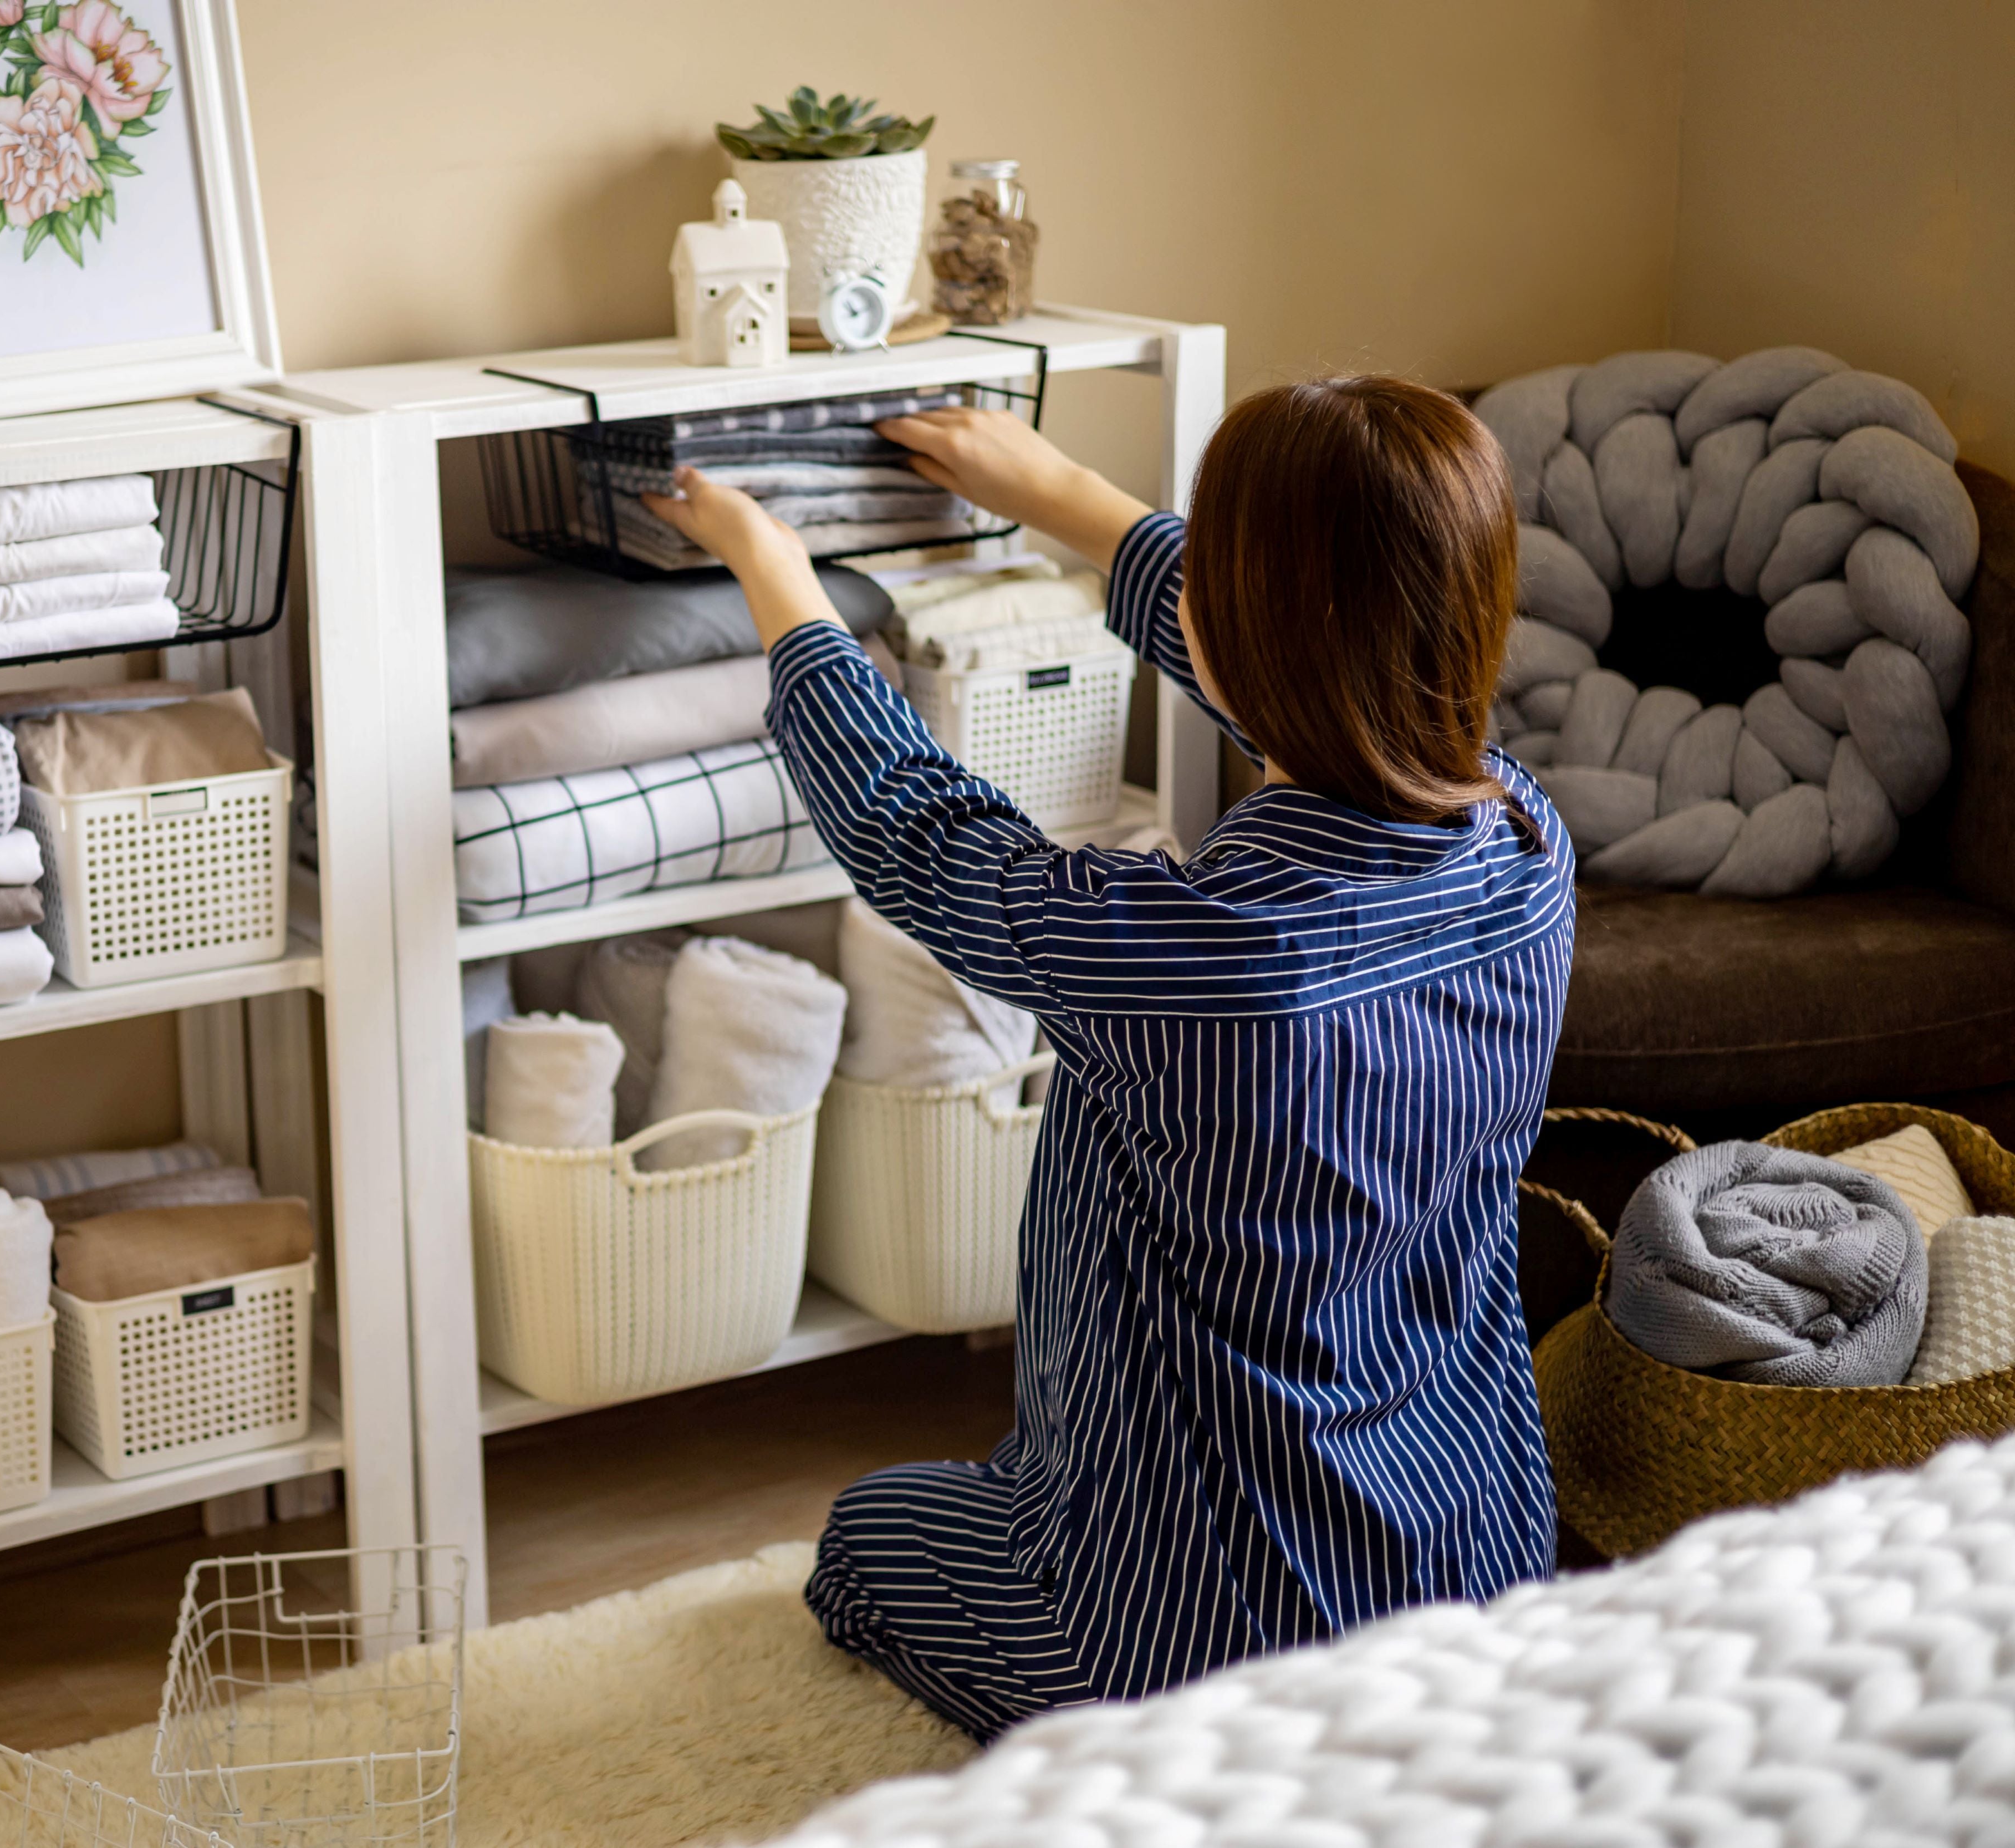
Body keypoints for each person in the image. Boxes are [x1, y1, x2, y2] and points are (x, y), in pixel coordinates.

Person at [639, 376, 1572, 1742]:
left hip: (1198, 1654)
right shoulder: (1530, 853)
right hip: (1473, 1573)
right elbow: (1316, 683)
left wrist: (772, 568)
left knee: (864, 1539)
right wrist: (1057, 495)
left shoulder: (1192, 955)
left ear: (1250, 633)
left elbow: (919, 825)